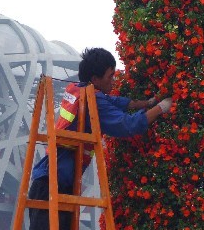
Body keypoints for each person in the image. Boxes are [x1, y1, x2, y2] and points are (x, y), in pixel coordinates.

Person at [28, 47, 172, 230]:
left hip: (53, 181)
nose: (113, 81)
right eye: (110, 76)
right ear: (95, 79)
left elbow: (113, 101)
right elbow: (127, 125)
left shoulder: (78, 89)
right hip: (52, 186)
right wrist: (161, 108)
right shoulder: (93, 101)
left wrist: (146, 103)